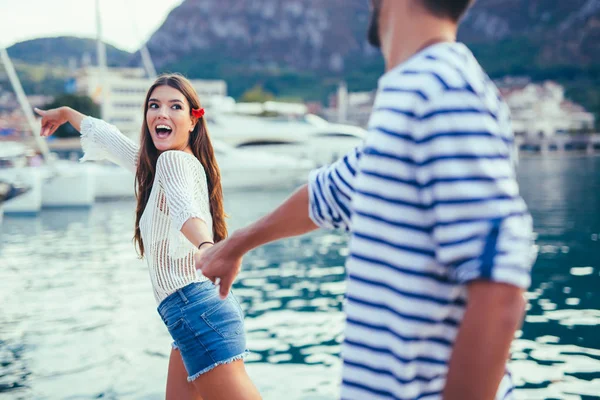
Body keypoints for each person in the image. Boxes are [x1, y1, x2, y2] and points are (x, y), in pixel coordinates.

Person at [197, 1, 536, 399]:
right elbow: (329, 193)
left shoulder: (442, 90)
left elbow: (501, 291)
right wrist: (234, 246)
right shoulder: (411, 95)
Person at [35, 74, 261, 400]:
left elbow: (186, 212)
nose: (161, 113)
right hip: (190, 315)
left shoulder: (172, 161)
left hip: (196, 310)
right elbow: (109, 138)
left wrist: (208, 248)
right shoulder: (157, 167)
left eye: (175, 106)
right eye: (154, 105)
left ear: (193, 120)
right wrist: (69, 113)